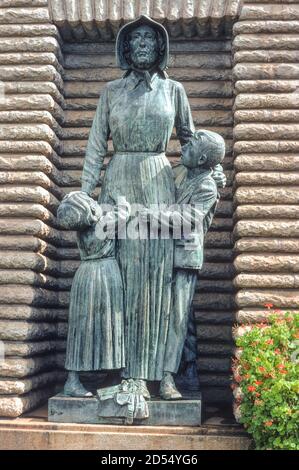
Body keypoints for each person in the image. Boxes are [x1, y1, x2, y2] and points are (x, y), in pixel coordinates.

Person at [80, 15, 196, 399]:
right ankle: (120, 373)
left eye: (150, 38)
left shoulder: (175, 90)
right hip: (118, 185)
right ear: (126, 49)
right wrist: (86, 198)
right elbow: (97, 147)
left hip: (160, 183)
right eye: (136, 39)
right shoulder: (111, 92)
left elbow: (190, 144)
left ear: (161, 47)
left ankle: (162, 375)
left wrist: (211, 172)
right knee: (121, 280)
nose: (143, 43)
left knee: (159, 280)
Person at [161, 130, 226, 398]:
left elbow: (184, 222)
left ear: (201, 158)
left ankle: (168, 377)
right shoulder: (178, 172)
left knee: (177, 318)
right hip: (163, 255)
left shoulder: (207, 186)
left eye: (193, 143)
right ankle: (175, 372)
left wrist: (140, 216)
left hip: (185, 259)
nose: (185, 145)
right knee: (175, 317)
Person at [57, 191, 129, 397]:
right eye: (90, 201)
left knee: (82, 328)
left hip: (85, 276)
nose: (95, 202)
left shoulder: (82, 229)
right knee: (109, 324)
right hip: (105, 275)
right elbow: (124, 214)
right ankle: (112, 373)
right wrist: (120, 195)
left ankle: (76, 378)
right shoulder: (103, 223)